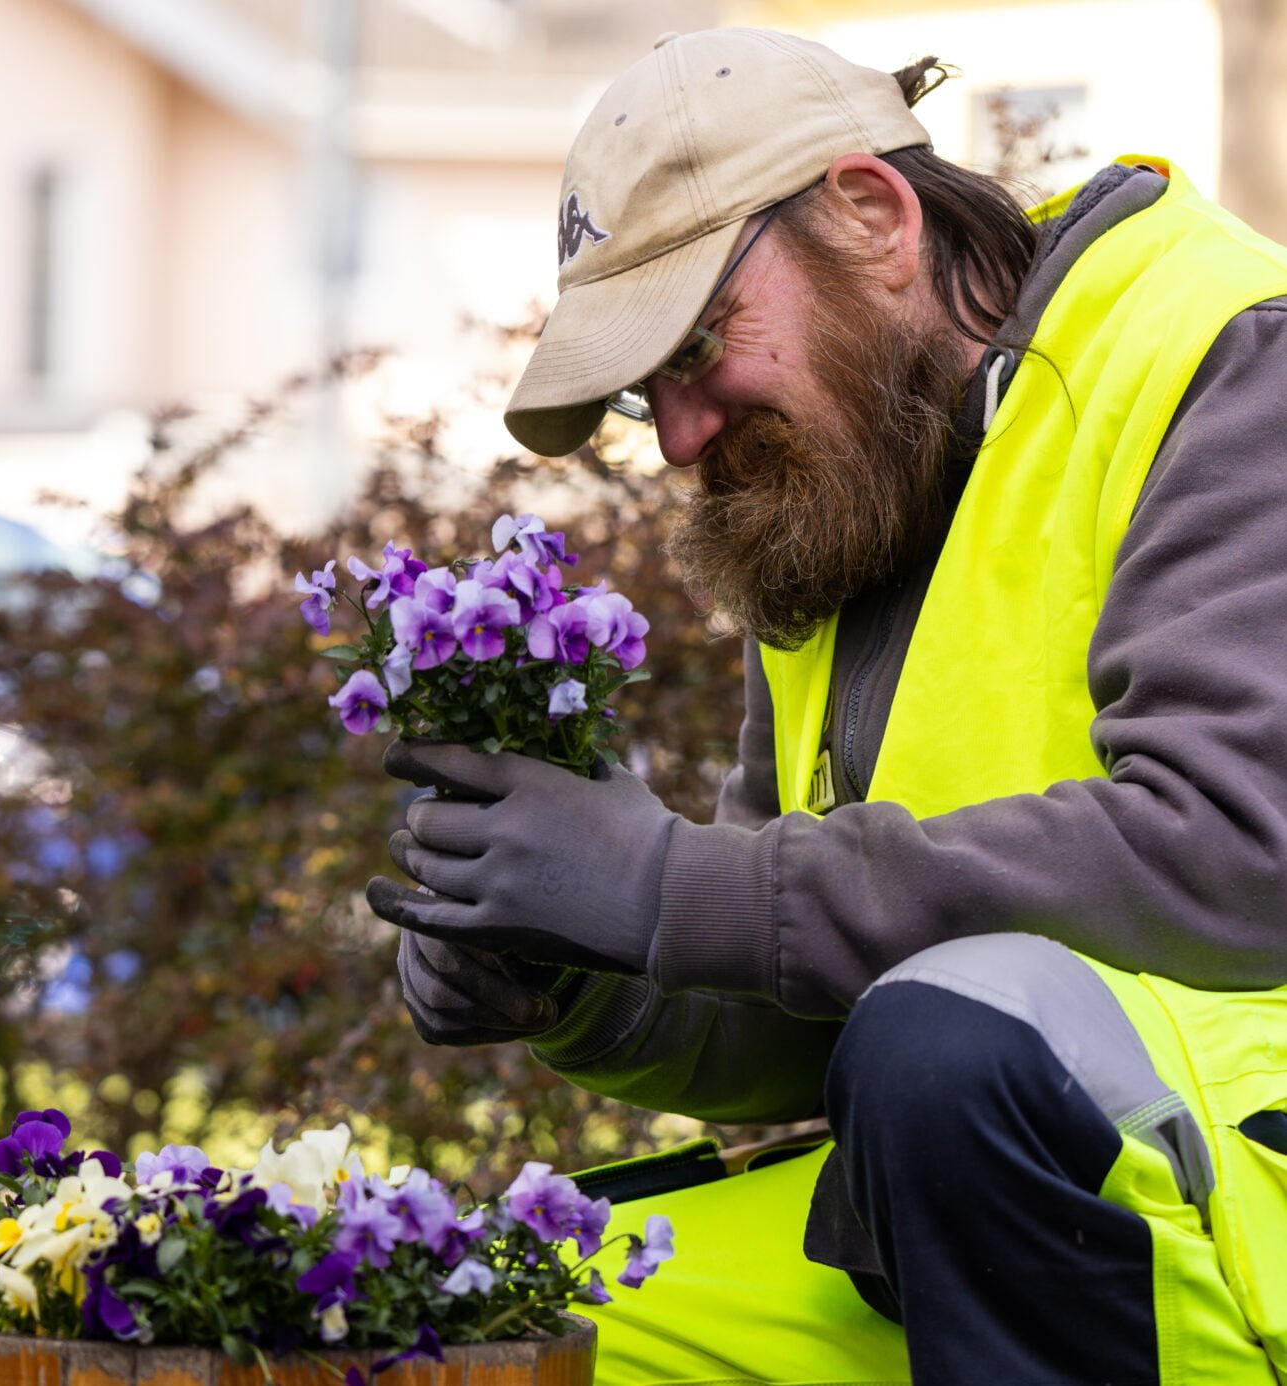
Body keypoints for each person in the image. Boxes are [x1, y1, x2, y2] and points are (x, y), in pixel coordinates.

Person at [364, 26, 1287, 1386]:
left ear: (871, 215)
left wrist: (676, 885)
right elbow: (819, 1007)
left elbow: (1235, 853)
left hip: (1232, 1230)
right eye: (640, 389)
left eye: (691, 344)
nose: (676, 433)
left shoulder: (1221, 349)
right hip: (968, 1208)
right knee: (462, 1328)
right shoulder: (846, 483)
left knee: (944, 1045)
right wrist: (578, 975)